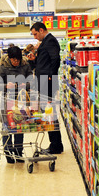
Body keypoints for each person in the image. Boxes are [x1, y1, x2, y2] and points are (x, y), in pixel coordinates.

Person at [30, 22, 64, 154]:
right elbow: (46, 61)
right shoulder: (46, 41)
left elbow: (56, 59)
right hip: (44, 81)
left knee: (49, 112)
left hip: (47, 82)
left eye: (35, 34)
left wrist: (51, 75)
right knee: (48, 112)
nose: (34, 37)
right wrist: (34, 60)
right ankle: (55, 144)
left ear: (42, 30)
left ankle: (55, 145)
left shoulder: (50, 41)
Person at [0, 46, 33, 163]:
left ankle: (18, 151)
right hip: (6, 99)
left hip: (21, 99)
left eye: (17, 60)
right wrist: (6, 86)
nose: (15, 62)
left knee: (19, 124)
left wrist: (24, 85)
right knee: (7, 125)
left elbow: (32, 81)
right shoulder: (3, 67)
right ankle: (8, 152)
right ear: (9, 58)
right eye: (13, 60)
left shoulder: (25, 65)